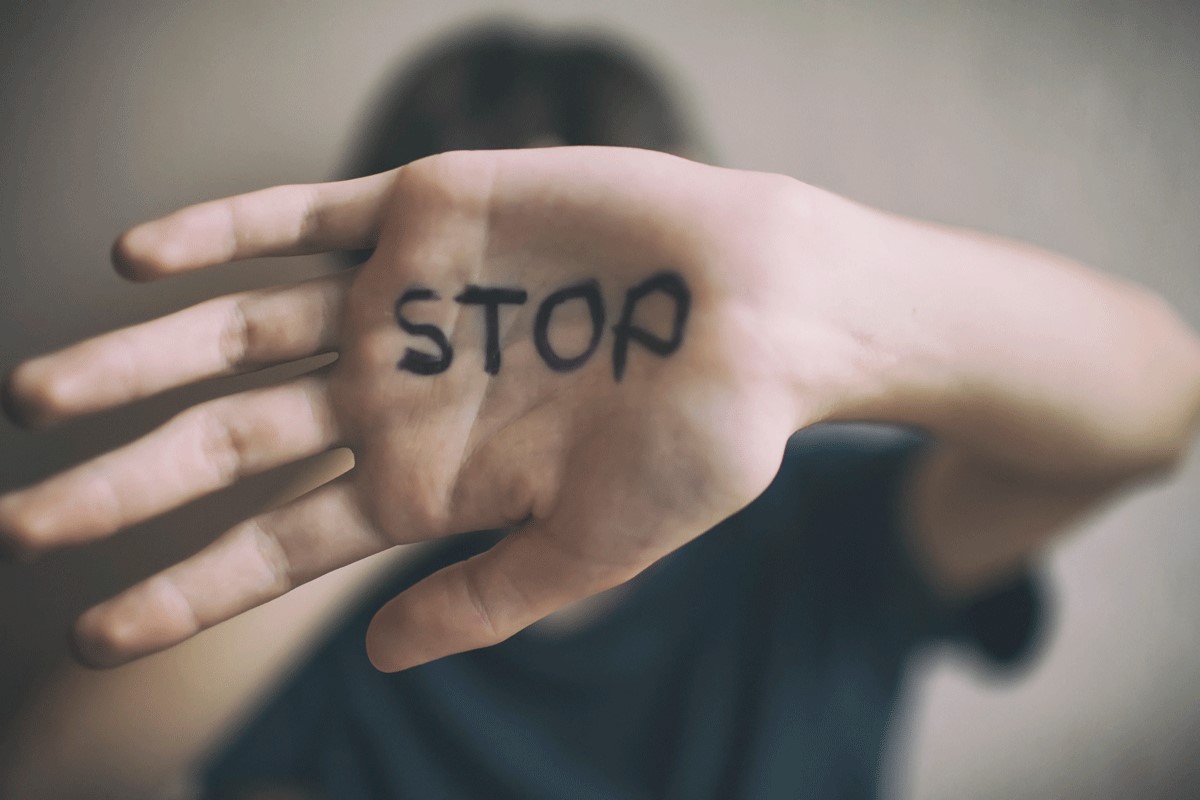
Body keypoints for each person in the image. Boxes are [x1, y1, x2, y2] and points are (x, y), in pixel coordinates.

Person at [1, 23, 1199, 800]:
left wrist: (821, 284)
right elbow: (66, 774)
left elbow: (1158, 401)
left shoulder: (824, 532)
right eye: (479, 300)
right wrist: (353, 467)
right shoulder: (366, 624)